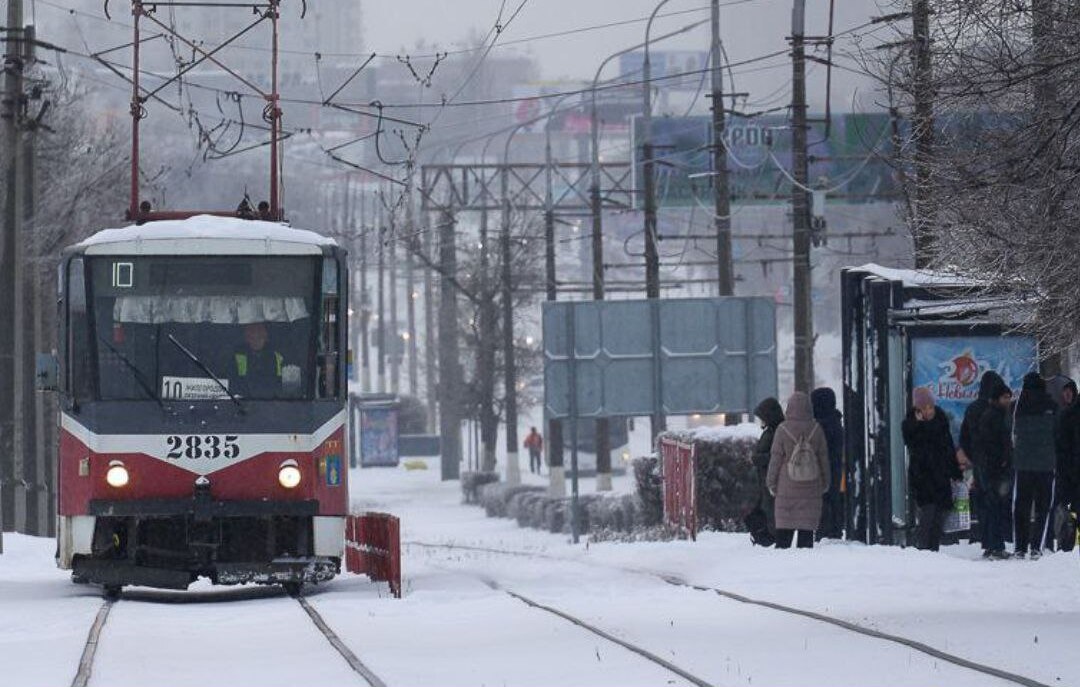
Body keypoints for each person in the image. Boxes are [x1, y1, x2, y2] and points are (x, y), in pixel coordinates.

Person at [902, 388, 963, 552]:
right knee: (927, 513)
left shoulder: (941, 421)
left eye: (931, 407)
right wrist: (920, 425)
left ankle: (933, 548)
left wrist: (955, 471)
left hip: (941, 475)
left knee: (939, 515)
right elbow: (914, 445)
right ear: (917, 410)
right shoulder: (910, 424)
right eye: (924, 408)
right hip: (922, 476)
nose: (928, 411)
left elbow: (949, 448)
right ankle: (923, 549)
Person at [767, 392, 829, 549]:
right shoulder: (817, 429)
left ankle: (783, 564)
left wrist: (771, 483)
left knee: (784, 534)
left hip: (786, 485)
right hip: (811, 485)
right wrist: (825, 482)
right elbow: (823, 459)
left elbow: (775, 459)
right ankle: (804, 564)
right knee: (806, 532)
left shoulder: (782, 429)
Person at [959, 371, 1006, 556]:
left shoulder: (972, 409)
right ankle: (998, 544)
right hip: (996, 464)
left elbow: (964, 437)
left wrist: (975, 457)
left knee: (984, 505)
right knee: (997, 504)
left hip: (980, 464)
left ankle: (987, 543)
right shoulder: (998, 410)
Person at [1011, 372, 1057, 559]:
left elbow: (1012, 435)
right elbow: (1058, 435)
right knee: (1043, 507)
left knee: (1021, 505)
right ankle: (1037, 546)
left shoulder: (1017, 407)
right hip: (1046, 464)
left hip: (1023, 465)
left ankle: (1020, 547)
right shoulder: (1052, 406)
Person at [977, 378, 1015, 559]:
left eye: (1009, 397)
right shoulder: (993, 416)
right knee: (995, 508)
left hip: (994, 469)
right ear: (996, 399)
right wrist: (1001, 461)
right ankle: (996, 546)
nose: (1007, 400)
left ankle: (994, 545)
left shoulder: (997, 415)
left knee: (995, 508)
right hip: (994, 470)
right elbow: (990, 444)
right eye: (1004, 397)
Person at [747, 397, 784, 546]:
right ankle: (765, 537)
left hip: (771, 476)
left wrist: (757, 459)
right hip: (764, 477)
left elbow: (776, 455)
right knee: (763, 508)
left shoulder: (776, 431)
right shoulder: (770, 431)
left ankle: (770, 538)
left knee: (769, 509)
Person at [811, 387, 844, 539]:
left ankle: (825, 532)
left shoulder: (820, 426)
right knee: (834, 498)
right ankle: (833, 529)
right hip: (835, 469)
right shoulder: (836, 422)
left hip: (822, 470)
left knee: (824, 500)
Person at [1054, 380, 1080, 552]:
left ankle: (1071, 545)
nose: (1067, 394)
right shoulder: (1064, 414)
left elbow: (1061, 449)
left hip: (1071, 474)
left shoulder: (1065, 416)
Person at [233, 322, 285, 397]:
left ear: (266, 337)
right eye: (252, 337)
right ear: (247, 338)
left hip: (272, 402)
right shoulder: (237, 357)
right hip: (243, 402)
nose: (256, 339)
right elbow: (233, 385)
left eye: (260, 336)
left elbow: (281, 385)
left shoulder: (277, 357)